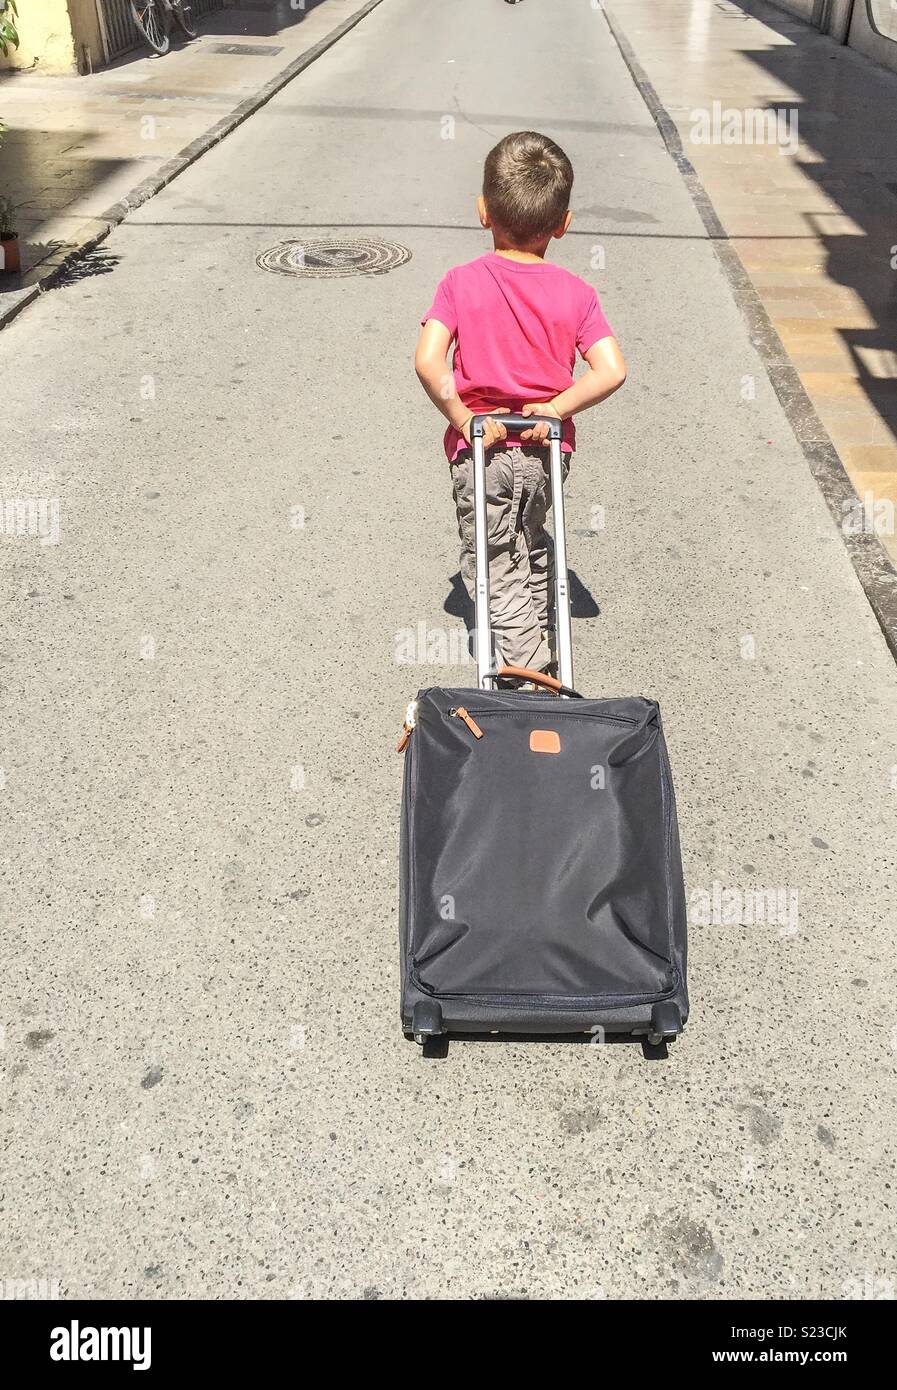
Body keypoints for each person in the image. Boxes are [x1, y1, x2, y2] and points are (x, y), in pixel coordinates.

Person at [415, 130, 626, 676]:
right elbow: (611, 370)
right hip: (547, 451)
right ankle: (535, 624)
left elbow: (428, 361)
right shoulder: (577, 293)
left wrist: (464, 418)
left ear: (483, 211)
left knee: (492, 563)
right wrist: (556, 408)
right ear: (564, 224)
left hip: (481, 449)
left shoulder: (460, 283)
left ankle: (529, 674)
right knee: (527, 536)